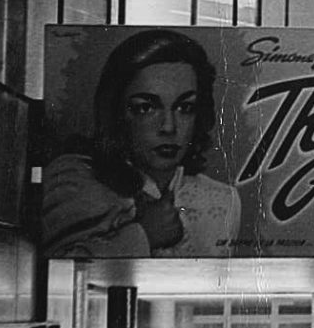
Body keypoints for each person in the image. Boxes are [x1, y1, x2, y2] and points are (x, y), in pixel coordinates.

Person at [42, 30, 243, 257]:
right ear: (116, 111)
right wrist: (144, 236)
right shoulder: (74, 179)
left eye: (185, 108)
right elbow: (53, 274)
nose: (169, 127)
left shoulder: (223, 200)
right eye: (146, 107)